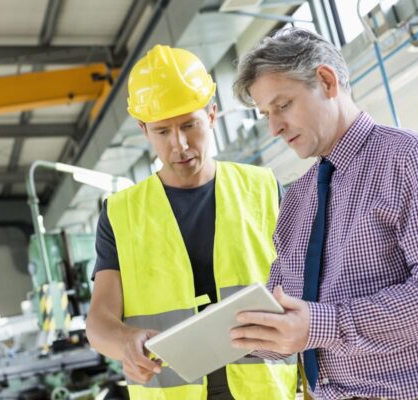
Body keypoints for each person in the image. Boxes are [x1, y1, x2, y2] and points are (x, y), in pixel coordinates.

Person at [230, 27, 418, 399]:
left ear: (326, 80)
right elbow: (293, 319)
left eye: (283, 105)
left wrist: (325, 324)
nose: (274, 127)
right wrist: (236, 336)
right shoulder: (297, 200)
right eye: (265, 114)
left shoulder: (408, 158)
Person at [86, 45, 297, 399]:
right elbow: (99, 321)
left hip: (267, 389)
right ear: (143, 130)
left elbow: (306, 285)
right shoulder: (120, 214)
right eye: (162, 132)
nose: (180, 145)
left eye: (189, 125)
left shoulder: (262, 187)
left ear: (212, 115)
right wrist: (125, 342)